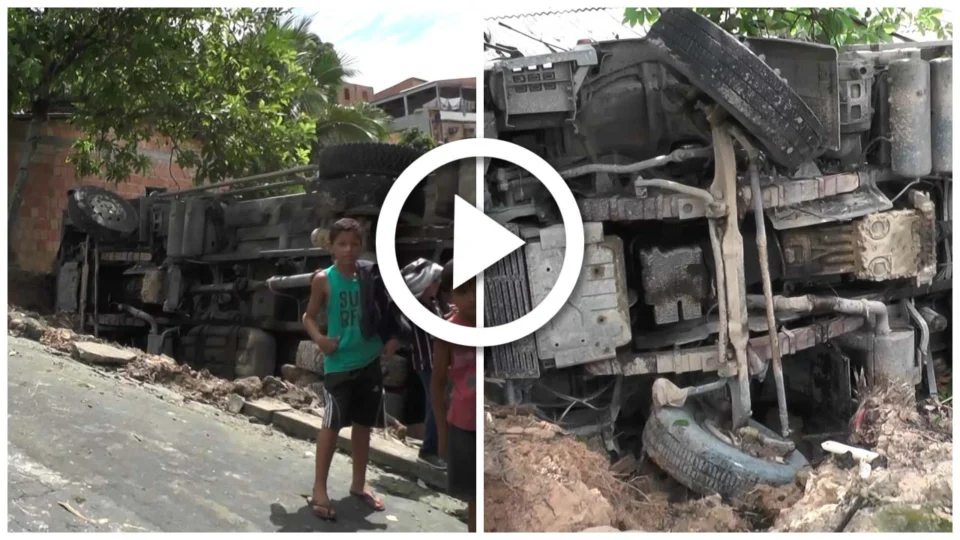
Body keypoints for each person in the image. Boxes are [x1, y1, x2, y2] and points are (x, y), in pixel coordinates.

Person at [302, 217, 399, 521]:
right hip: (339, 364)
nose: (348, 249)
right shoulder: (324, 280)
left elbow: (388, 309)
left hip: (369, 360)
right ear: (331, 246)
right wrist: (320, 339)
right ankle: (319, 488)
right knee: (331, 425)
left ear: (362, 246)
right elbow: (308, 316)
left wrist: (392, 339)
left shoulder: (370, 275)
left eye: (354, 244)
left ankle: (359, 484)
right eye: (342, 244)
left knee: (363, 425)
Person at [432, 260, 476, 532]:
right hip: (463, 425)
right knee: (474, 500)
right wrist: (442, 435)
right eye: (463, 290)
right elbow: (437, 385)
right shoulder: (447, 332)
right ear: (449, 295)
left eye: (477, 287)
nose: (472, 297)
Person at [398, 258, 447, 470]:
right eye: (434, 281)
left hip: (438, 362)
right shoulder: (416, 308)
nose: (438, 285)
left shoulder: (433, 304)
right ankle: (429, 451)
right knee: (435, 405)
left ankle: (439, 450)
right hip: (427, 362)